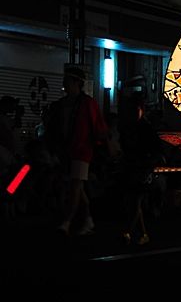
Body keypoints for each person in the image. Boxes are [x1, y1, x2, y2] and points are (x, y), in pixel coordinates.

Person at [45, 66, 108, 236]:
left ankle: (67, 222)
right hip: (67, 149)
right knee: (77, 186)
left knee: (75, 185)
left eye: (67, 80)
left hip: (82, 149)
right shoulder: (62, 104)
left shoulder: (87, 103)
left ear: (77, 83)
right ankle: (87, 220)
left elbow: (97, 127)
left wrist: (97, 144)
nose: (64, 84)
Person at [118, 95, 164, 246]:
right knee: (133, 201)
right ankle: (141, 233)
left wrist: (149, 167)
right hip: (133, 167)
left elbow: (156, 150)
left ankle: (128, 232)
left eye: (134, 110)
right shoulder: (132, 127)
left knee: (135, 200)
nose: (132, 113)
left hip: (142, 168)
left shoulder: (144, 128)